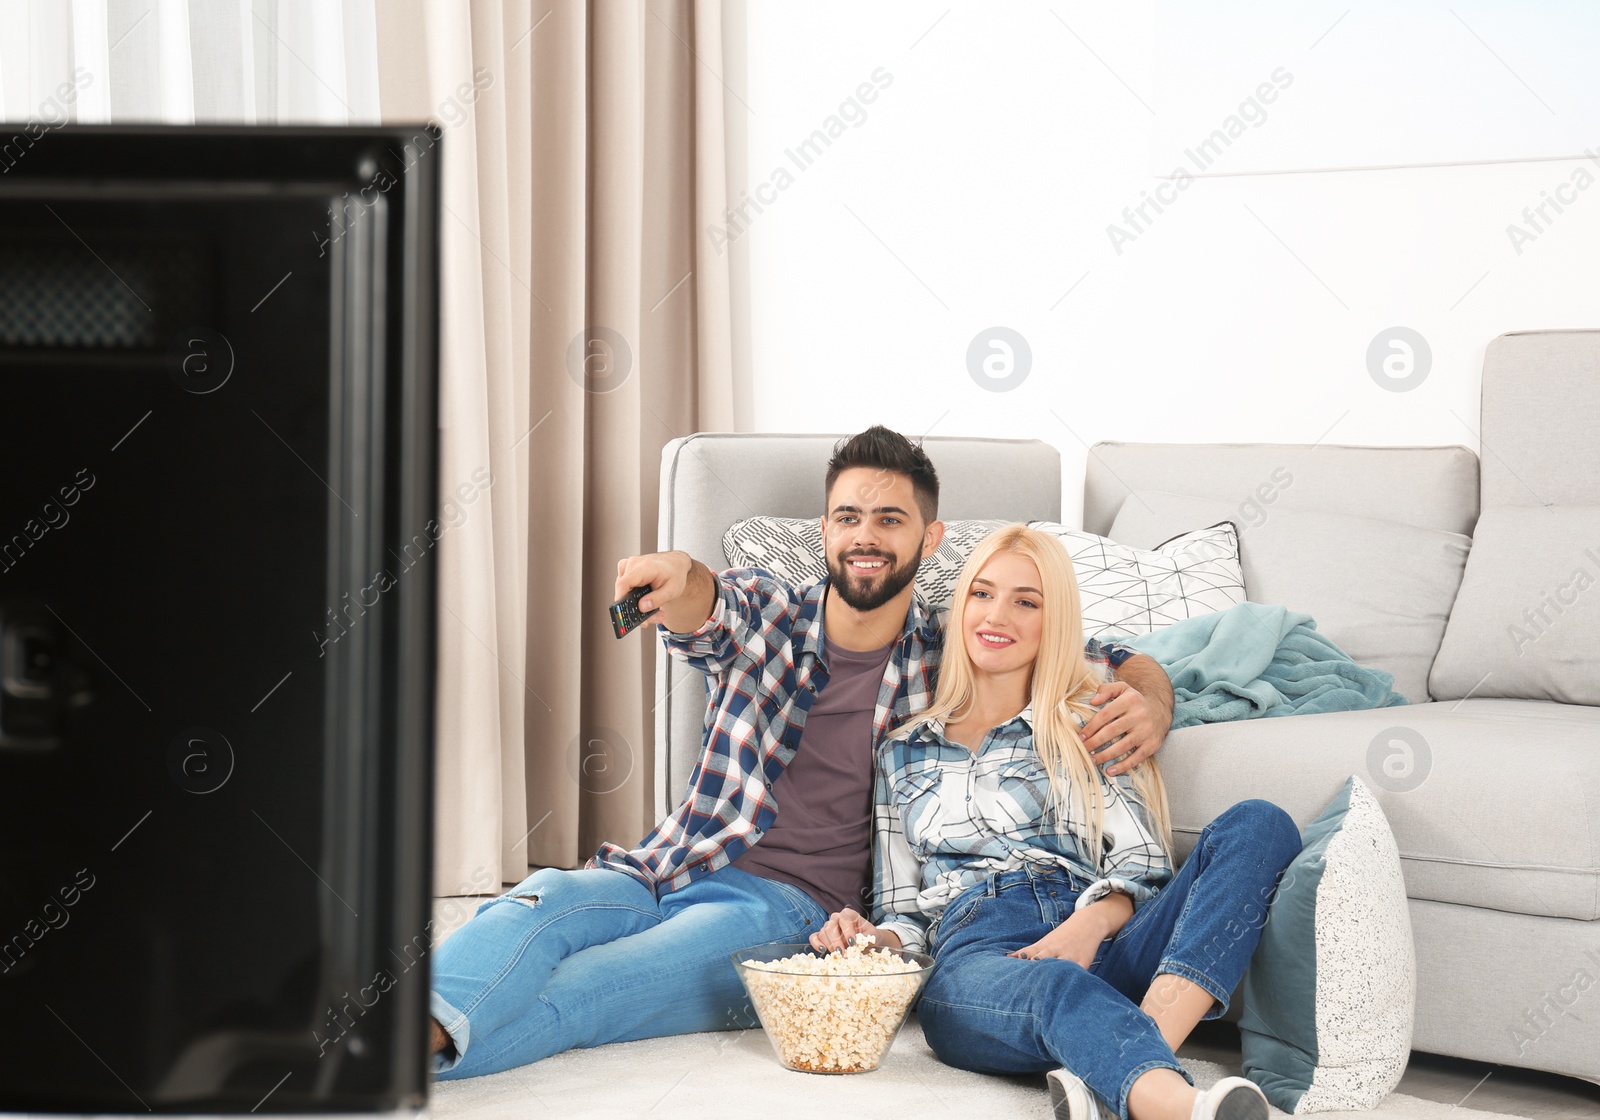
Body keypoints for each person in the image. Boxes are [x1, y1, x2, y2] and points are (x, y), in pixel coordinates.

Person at [426, 426, 1177, 1078]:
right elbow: (703, 598)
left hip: (789, 912)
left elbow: (1104, 654)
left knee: (592, 989)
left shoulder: (954, 648)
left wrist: (1150, 698)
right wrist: (675, 573)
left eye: (890, 518)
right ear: (824, 529)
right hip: (672, 865)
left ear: (930, 537)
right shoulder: (769, 613)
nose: (866, 536)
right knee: (542, 900)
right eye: (848, 516)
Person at [809, 524, 1303, 1120]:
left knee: (1260, 825)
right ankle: (1175, 1104)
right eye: (982, 594)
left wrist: (1087, 926)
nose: (998, 616)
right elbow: (904, 914)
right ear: (960, 604)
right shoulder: (901, 751)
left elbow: (1141, 863)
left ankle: (1120, 1066)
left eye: (1027, 602)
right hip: (981, 959)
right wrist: (871, 938)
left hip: (1105, 934)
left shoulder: (1084, 723)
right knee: (1057, 987)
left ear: (1056, 622)